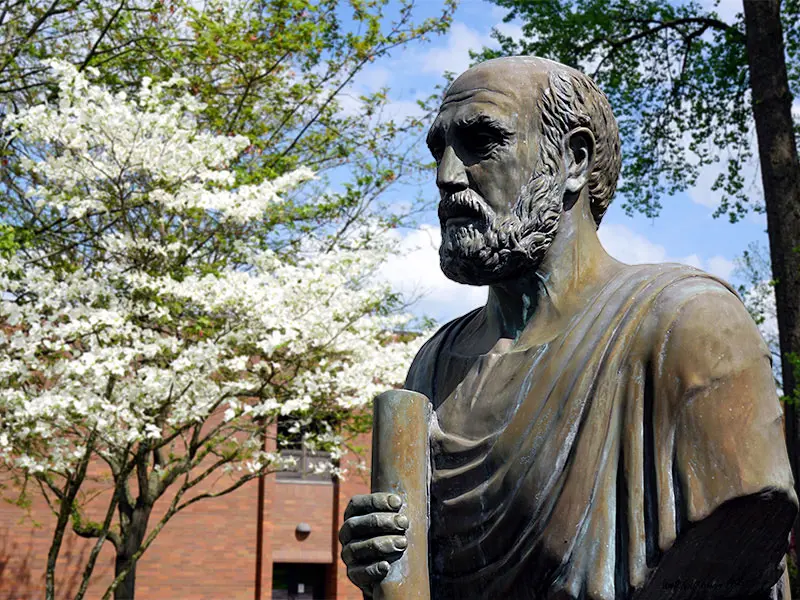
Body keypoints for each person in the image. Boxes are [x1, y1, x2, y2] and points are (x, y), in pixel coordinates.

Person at [339, 56, 797, 599]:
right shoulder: (434, 365)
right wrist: (380, 561)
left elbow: (738, 539)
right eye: (438, 150)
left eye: (481, 142)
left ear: (573, 159)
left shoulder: (690, 325)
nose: (447, 176)